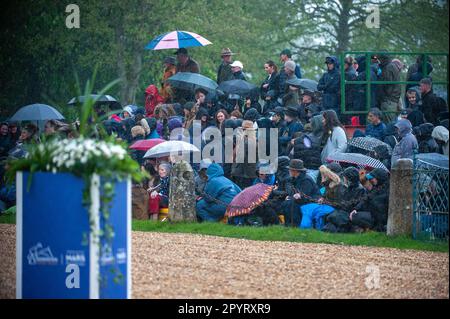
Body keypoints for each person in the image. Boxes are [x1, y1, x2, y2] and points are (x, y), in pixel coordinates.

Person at [280, 159, 319, 227]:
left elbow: (304, 196)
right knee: (285, 203)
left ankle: (294, 226)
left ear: (295, 171)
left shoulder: (306, 180)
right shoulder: (294, 179)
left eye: (290, 169)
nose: (288, 171)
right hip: (300, 200)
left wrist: (291, 198)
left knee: (290, 204)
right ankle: (288, 225)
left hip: (311, 201)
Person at [350, 168, 390, 232]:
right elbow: (365, 199)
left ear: (379, 178)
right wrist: (356, 209)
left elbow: (382, 210)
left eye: (372, 178)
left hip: (380, 219)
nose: (371, 180)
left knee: (356, 217)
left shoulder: (387, 190)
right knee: (354, 215)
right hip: (373, 215)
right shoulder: (375, 188)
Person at [231, 120, 258, 189]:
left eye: (243, 129)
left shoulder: (247, 141)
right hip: (248, 173)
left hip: (243, 174)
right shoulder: (254, 139)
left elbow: (238, 156)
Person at [377, 54, 402, 123]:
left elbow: (386, 83)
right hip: (391, 99)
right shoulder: (390, 66)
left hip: (389, 100)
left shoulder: (388, 67)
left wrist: (383, 97)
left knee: (388, 122)